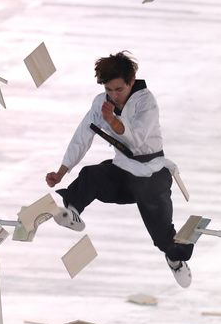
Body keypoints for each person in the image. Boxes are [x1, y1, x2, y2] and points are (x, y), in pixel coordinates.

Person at [45, 51, 194, 288]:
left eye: (119, 90)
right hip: (123, 172)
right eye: (108, 90)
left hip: (151, 174)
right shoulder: (100, 102)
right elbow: (83, 135)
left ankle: (175, 259)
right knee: (91, 175)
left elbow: (136, 141)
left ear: (131, 81)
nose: (113, 96)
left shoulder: (146, 102)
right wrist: (62, 171)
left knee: (162, 235)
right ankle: (73, 211)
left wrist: (113, 121)